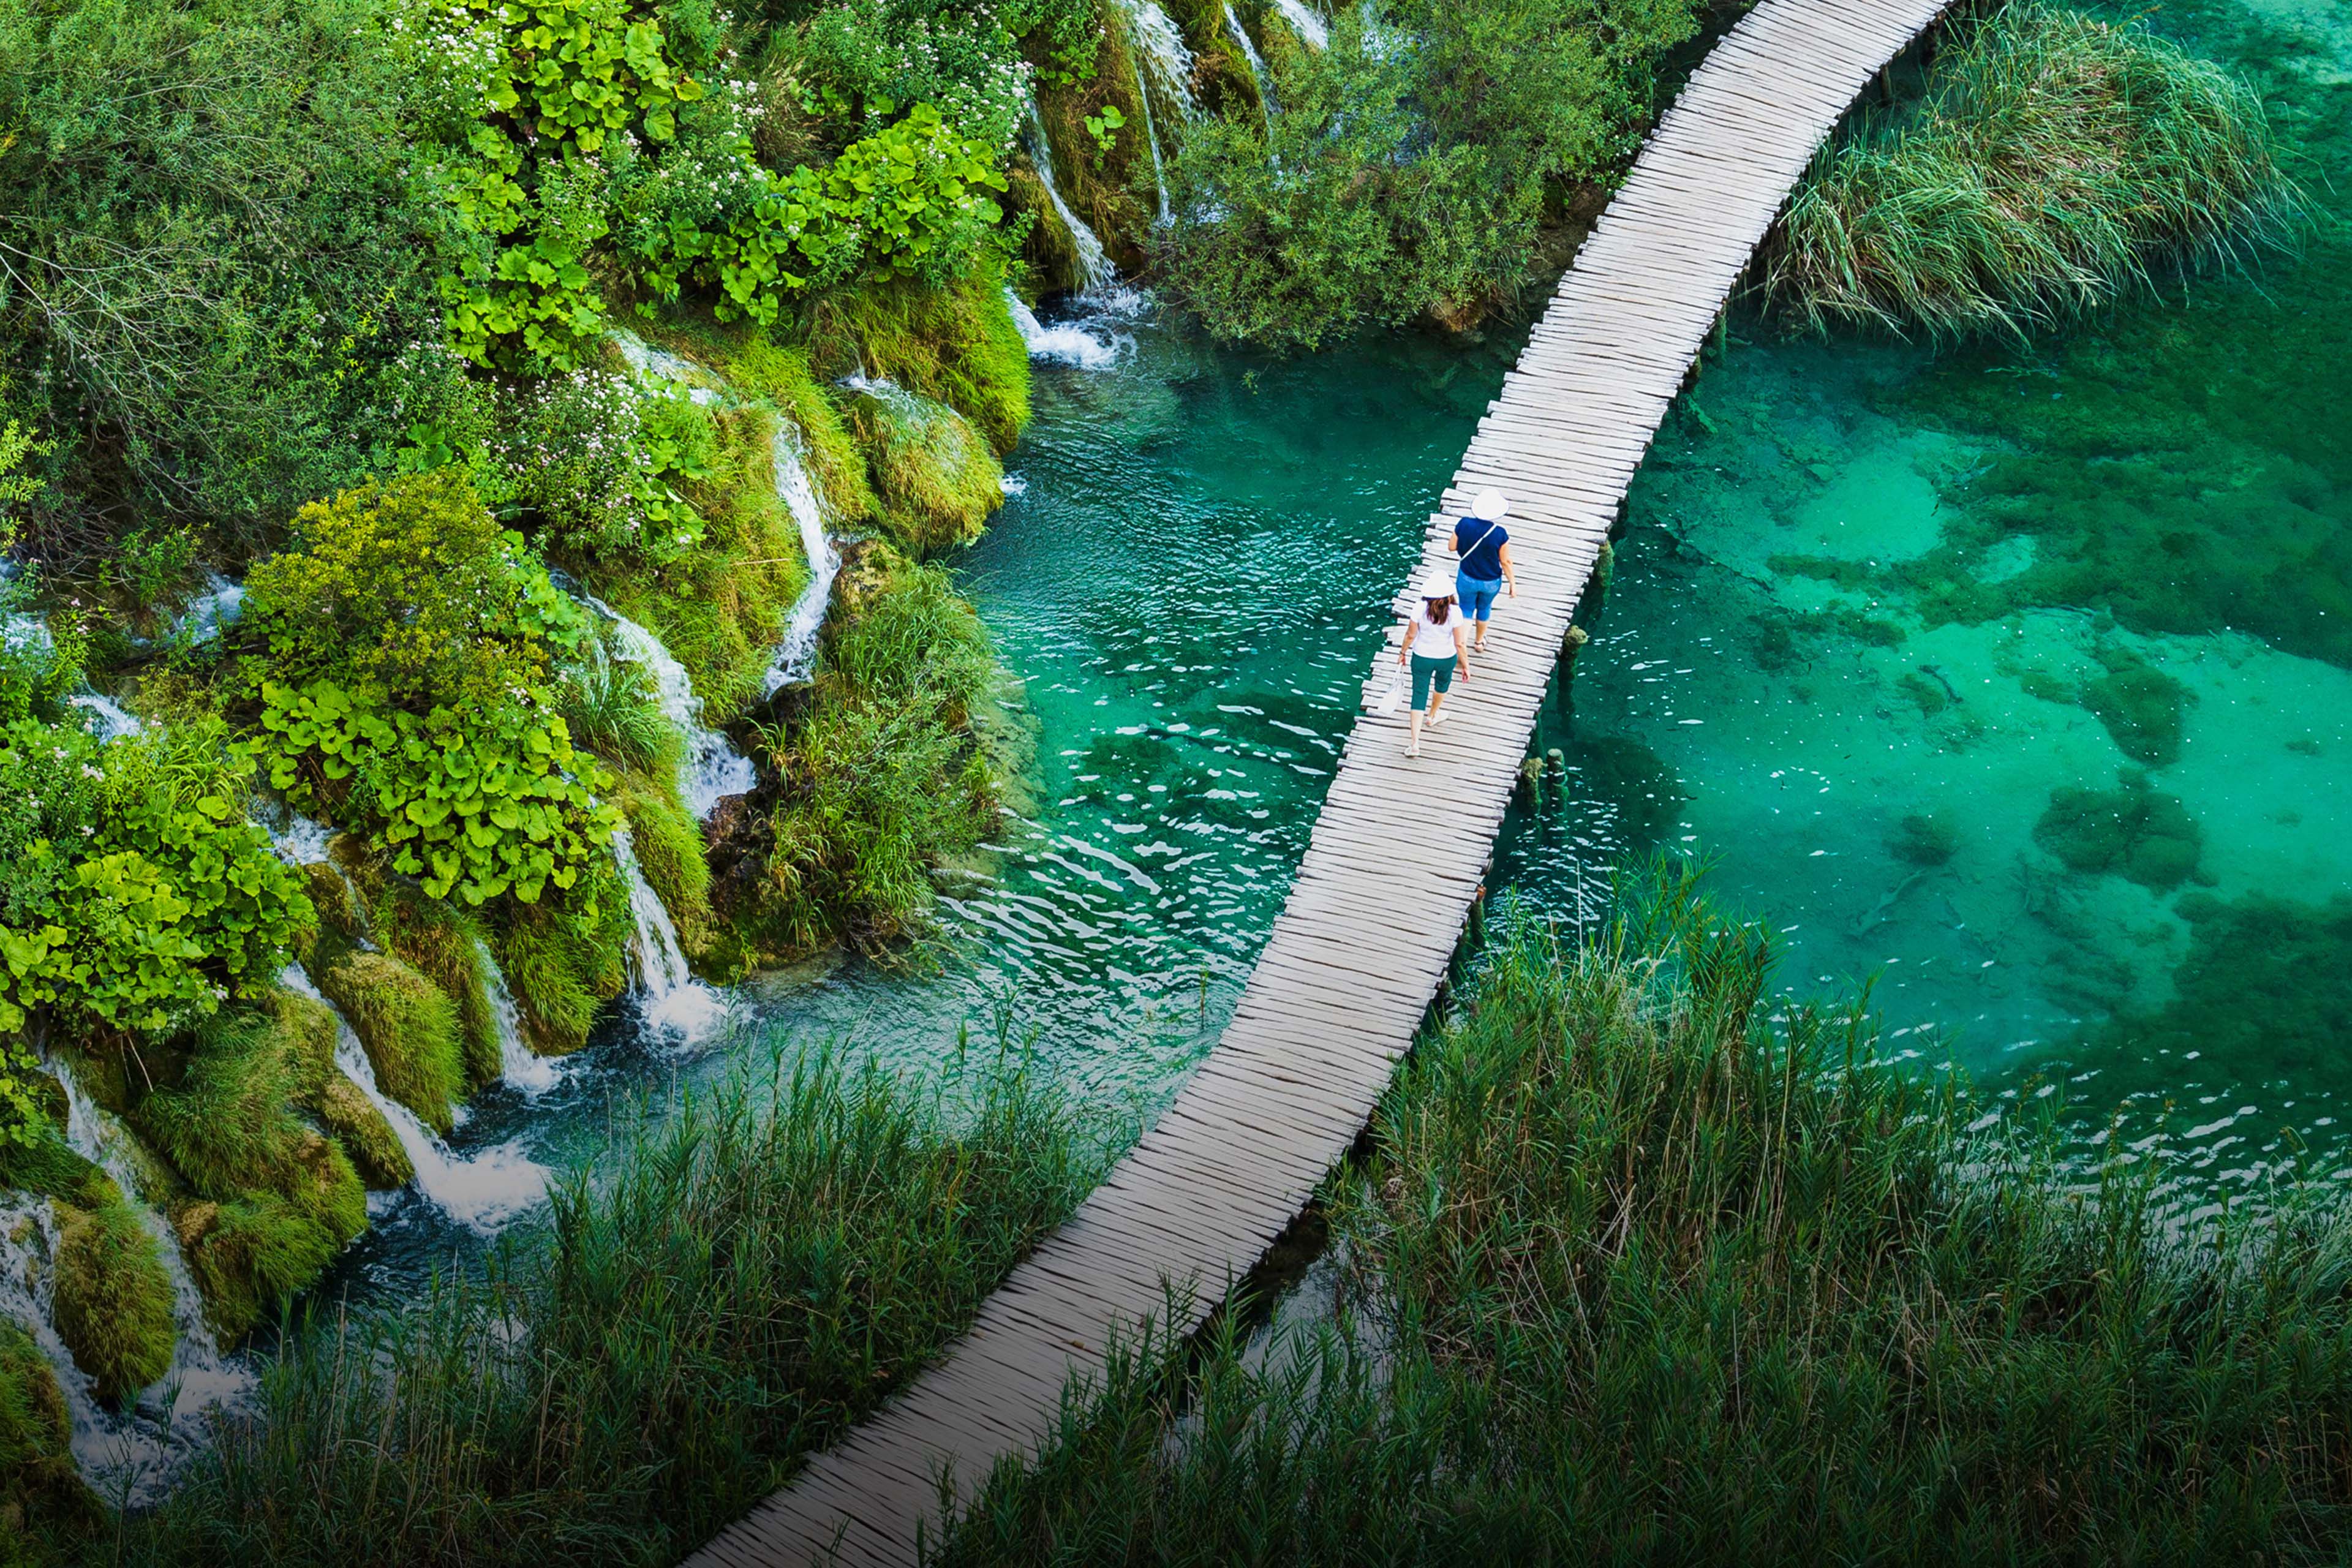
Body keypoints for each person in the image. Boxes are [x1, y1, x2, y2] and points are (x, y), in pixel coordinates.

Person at [1397, 570, 1469, 758]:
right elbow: (1460, 643)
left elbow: (1411, 635)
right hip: (1446, 657)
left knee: (1418, 694)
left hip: (1422, 656)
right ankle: (1433, 715)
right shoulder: (1455, 612)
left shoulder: (1419, 607)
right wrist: (1466, 666)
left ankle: (1414, 743)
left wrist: (1402, 652)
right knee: (1441, 686)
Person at [1452, 488, 1515, 655]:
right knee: (1485, 607)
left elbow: (1452, 547)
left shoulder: (1464, 524)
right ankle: (1479, 642)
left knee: (1466, 608)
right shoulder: (1500, 534)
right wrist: (1512, 584)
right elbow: (1505, 562)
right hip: (1491, 581)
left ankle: (1462, 644)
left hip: (1467, 577)